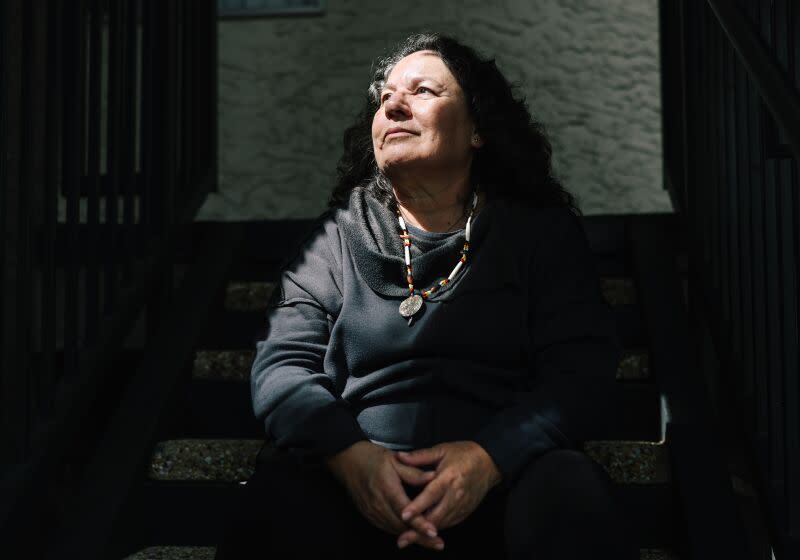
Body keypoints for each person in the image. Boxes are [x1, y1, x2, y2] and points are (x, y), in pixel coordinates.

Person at [215, 33, 637, 559]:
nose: (392, 104)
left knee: (569, 494)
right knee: (279, 497)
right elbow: (281, 366)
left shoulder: (537, 234)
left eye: (423, 91)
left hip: (505, 478)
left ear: (478, 129)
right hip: (359, 482)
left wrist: (488, 458)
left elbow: (581, 369)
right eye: (385, 95)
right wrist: (352, 458)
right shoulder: (335, 238)